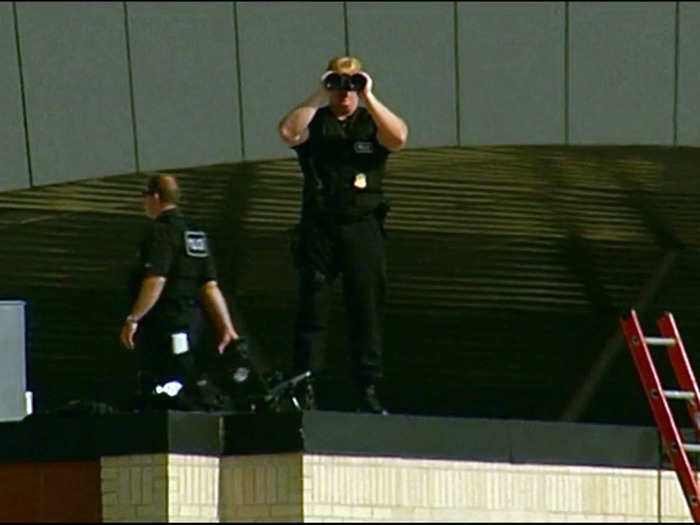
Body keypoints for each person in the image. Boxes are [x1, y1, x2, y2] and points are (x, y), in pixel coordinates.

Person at [278, 56, 408, 414]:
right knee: (313, 307)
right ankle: (304, 385)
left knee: (365, 307)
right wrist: (321, 91)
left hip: (362, 226)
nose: (344, 93)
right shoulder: (316, 122)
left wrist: (369, 96)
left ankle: (366, 386)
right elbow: (288, 133)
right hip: (320, 226)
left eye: (352, 85)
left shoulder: (370, 123)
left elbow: (398, 137)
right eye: (339, 84)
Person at [120, 174, 240, 409]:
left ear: (155, 196)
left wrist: (134, 318)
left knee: (162, 382)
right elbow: (209, 286)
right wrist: (227, 329)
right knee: (185, 373)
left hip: (162, 325)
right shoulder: (195, 234)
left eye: (146, 197)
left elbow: (156, 279)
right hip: (191, 323)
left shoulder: (160, 232)